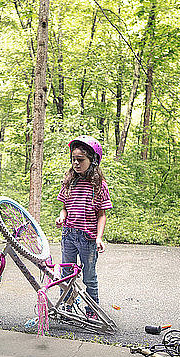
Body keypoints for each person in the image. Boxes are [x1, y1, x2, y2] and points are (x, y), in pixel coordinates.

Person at [55, 135, 112, 320]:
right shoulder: (69, 182)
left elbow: (101, 214)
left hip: (87, 238)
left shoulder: (99, 186)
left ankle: (92, 309)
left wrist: (99, 237)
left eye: (81, 160)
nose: (76, 164)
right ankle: (67, 306)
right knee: (66, 274)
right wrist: (61, 217)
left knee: (89, 276)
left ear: (93, 160)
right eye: (73, 160)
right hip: (69, 235)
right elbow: (65, 207)